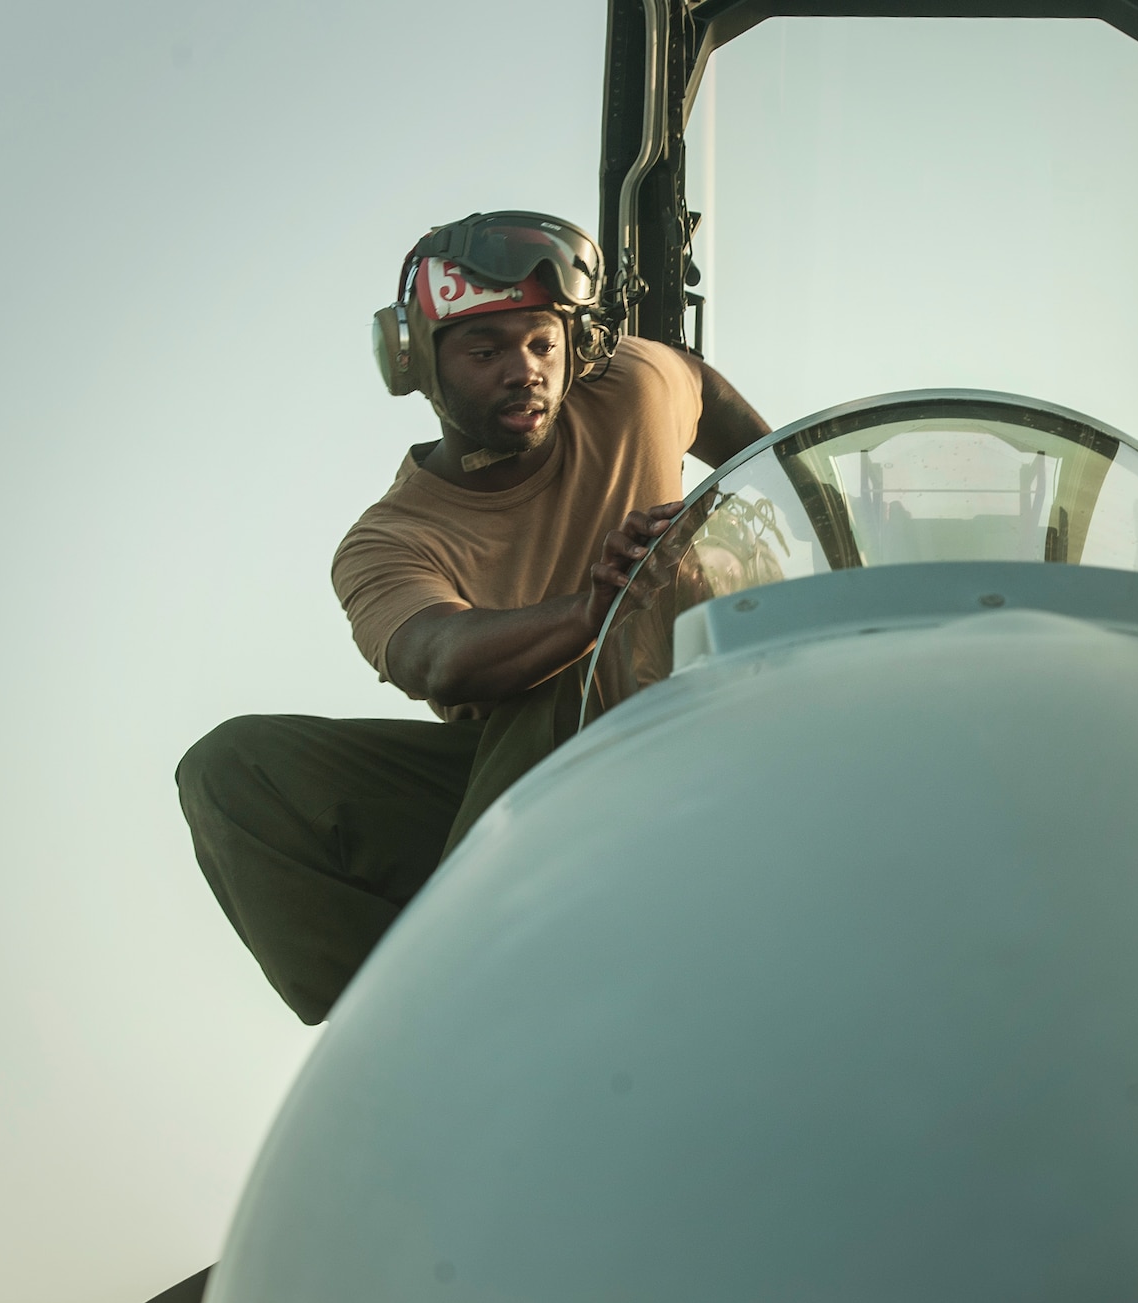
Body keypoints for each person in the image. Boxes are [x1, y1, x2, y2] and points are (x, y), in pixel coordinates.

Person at [175, 211, 768, 1024]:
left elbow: (696, 383)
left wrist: (800, 484)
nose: (524, 371)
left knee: (614, 656)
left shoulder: (629, 389)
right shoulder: (390, 538)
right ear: (418, 364)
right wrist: (592, 610)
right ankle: (406, 1019)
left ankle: (464, 975)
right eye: (486, 352)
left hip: (710, 725)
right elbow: (437, 655)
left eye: (542, 344)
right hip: (506, 784)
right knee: (230, 767)